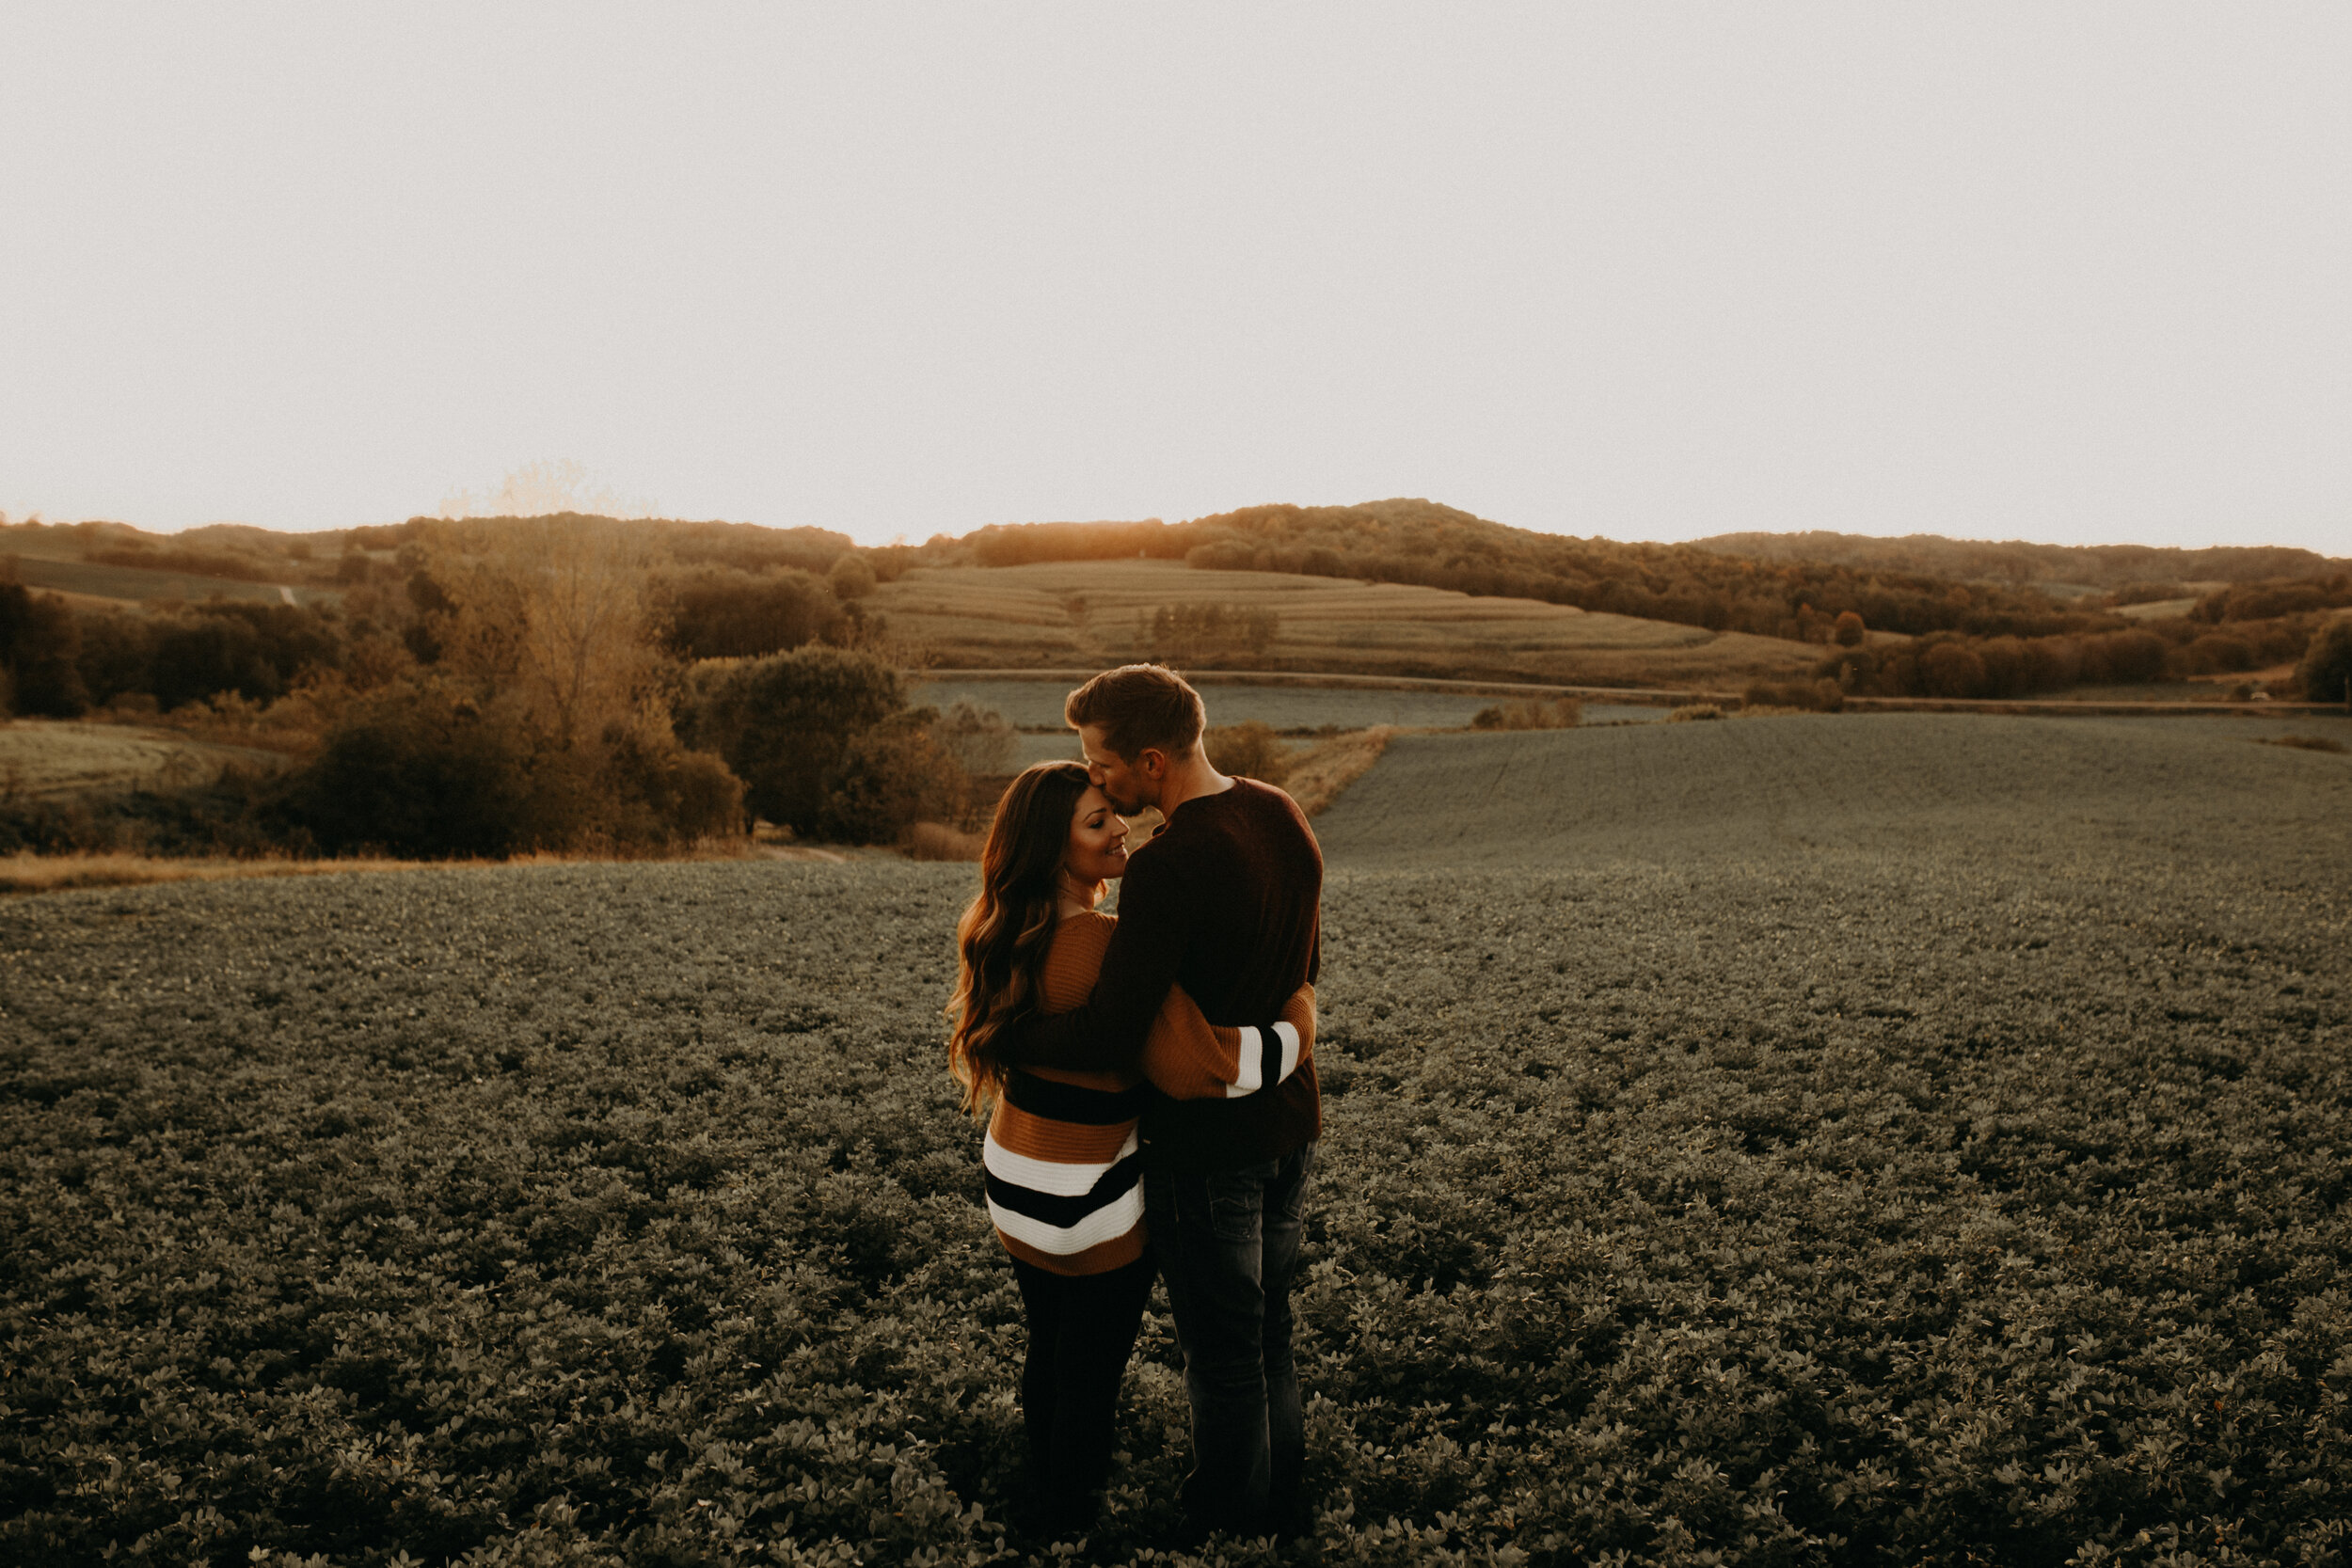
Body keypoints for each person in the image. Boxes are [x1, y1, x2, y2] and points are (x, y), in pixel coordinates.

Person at [995, 666, 1324, 1538]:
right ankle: (1279, 1504)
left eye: (1100, 765)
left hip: (1206, 1149)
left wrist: (1011, 1037)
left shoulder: (1171, 864)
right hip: (1290, 1125)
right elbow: (1304, 971)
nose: (1095, 777)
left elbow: (1113, 1034)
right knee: (1271, 1335)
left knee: (1222, 1356)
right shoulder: (1281, 812)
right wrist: (1292, 1033)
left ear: (1148, 758)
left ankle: (1225, 1524)